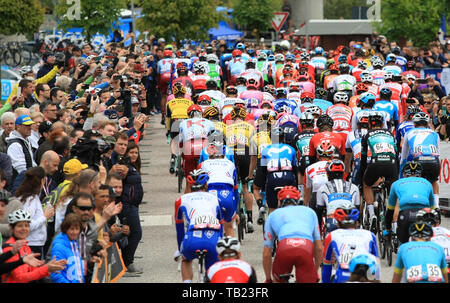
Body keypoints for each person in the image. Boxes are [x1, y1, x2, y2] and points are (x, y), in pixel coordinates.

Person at [263, 186, 322, 283]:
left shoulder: (273, 215)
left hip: (284, 247)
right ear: (298, 200)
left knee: (278, 281)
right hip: (305, 246)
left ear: (279, 201)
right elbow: (319, 248)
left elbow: (267, 253)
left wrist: (268, 278)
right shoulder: (310, 212)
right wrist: (314, 272)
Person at [174, 169, 223, 283]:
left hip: (192, 239)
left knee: (186, 259)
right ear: (206, 185)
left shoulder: (180, 200)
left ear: (190, 185)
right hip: (213, 238)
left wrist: (180, 249)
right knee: (213, 271)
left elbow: (179, 229)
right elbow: (221, 225)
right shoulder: (216, 199)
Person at [1, 209, 66, 283]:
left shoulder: (25, 247)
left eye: (27, 225)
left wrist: (49, 267)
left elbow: (32, 271)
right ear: (12, 228)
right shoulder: (10, 248)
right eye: (20, 226)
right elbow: (19, 278)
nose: (24, 229)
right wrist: (46, 269)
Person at [360, 111, 398, 234]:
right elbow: (396, 155)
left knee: (367, 185)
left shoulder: (367, 135)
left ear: (370, 124)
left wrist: (363, 175)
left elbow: (364, 159)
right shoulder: (390, 134)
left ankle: (372, 216)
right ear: (382, 124)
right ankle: (395, 226)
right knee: (395, 195)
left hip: (376, 163)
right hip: (392, 164)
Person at [322, 203, 379, 283]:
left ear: (338, 224)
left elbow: (327, 266)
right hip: (366, 277)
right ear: (356, 223)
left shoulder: (331, 235)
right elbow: (376, 264)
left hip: (343, 276)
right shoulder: (370, 235)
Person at [384, 161, 435, 245]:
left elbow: (390, 210)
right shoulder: (428, 183)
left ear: (404, 174)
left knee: (403, 245)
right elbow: (433, 208)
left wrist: (388, 229)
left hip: (406, 214)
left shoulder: (396, 184)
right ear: (420, 174)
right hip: (424, 213)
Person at [198, 140, 238, 237]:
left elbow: (199, 188)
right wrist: (236, 212)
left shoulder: (203, 164)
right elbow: (236, 190)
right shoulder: (231, 164)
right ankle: (233, 251)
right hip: (227, 195)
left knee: (210, 228)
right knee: (229, 227)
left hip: (210, 195)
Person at [400, 112, 440, 208]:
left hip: (419, 160)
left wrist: (401, 171)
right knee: (434, 181)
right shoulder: (434, 133)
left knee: (414, 181)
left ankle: (414, 202)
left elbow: (404, 156)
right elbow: (438, 154)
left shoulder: (409, 133)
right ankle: (436, 205)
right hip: (434, 161)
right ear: (427, 124)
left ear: (414, 124)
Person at [14, 167, 53, 258]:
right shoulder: (30, 200)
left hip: (35, 243)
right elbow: (28, 225)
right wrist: (44, 216)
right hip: (32, 244)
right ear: (42, 180)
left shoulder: (31, 197)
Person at [260, 127, 298, 215]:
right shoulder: (291, 149)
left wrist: (263, 188)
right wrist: (295, 187)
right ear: (283, 138)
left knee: (272, 208)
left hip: (273, 178)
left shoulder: (265, 150)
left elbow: (263, 171)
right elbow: (295, 169)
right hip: (288, 177)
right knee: (291, 205)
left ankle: (270, 226)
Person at [316, 160, 360, 235]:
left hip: (333, 220)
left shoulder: (322, 188)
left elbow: (319, 212)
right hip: (351, 220)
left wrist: (319, 232)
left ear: (328, 174)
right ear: (343, 173)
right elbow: (357, 209)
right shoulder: (354, 187)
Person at [50, 213, 85, 283]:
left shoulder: (74, 244)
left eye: (77, 229)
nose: (74, 232)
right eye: (71, 229)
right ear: (65, 229)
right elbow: (55, 274)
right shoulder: (59, 247)